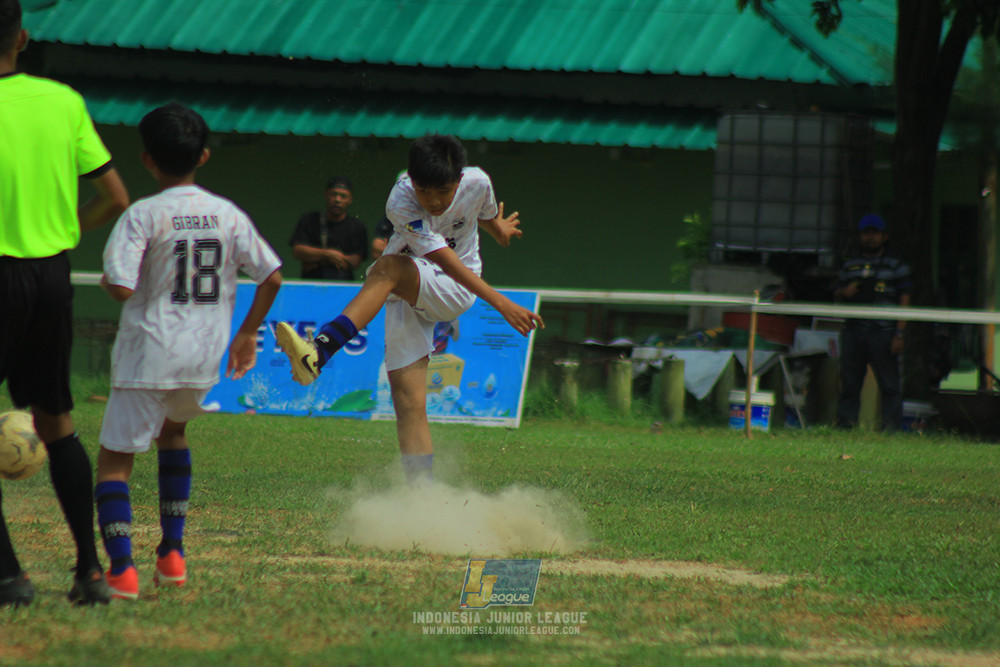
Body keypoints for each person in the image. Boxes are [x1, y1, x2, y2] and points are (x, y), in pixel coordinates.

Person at [275, 134, 543, 484]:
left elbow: (484, 216)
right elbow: (440, 259)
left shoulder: (477, 182)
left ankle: (320, 351)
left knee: (388, 268)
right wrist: (501, 301)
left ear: (459, 180)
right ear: (411, 182)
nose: (432, 201)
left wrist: (500, 233)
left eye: (442, 193)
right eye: (423, 191)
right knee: (408, 401)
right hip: (412, 285)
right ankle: (421, 498)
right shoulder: (400, 200)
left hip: (454, 288)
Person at [95, 102, 282, 600]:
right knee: (173, 435)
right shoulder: (227, 213)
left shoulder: (142, 215)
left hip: (148, 354)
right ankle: (172, 553)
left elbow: (118, 283)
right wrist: (245, 335)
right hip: (202, 359)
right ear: (203, 156)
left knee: (115, 460)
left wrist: (121, 286)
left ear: (146, 160)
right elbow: (272, 274)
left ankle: (121, 569)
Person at [0, 0, 130, 608]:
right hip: (51, 275)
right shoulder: (61, 101)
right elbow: (116, 195)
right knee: (57, 421)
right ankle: (88, 572)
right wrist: (69, 230)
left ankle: (10, 576)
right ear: (21, 37)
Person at [833, 213, 911, 431]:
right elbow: (835, 293)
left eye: (874, 233)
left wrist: (899, 334)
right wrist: (844, 291)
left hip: (884, 333)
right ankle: (844, 428)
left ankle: (890, 431)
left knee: (890, 387)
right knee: (849, 385)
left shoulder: (896, 266)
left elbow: (905, 300)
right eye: (865, 233)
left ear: (884, 236)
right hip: (853, 331)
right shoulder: (850, 265)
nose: (869, 238)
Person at [289, 176, 368, 280]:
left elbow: (355, 261)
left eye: (343, 196)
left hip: (343, 286)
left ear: (350, 199)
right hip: (311, 283)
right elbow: (298, 251)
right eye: (333, 194)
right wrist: (328, 254)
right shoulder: (309, 220)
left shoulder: (357, 226)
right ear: (326, 195)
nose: (337, 200)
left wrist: (316, 261)